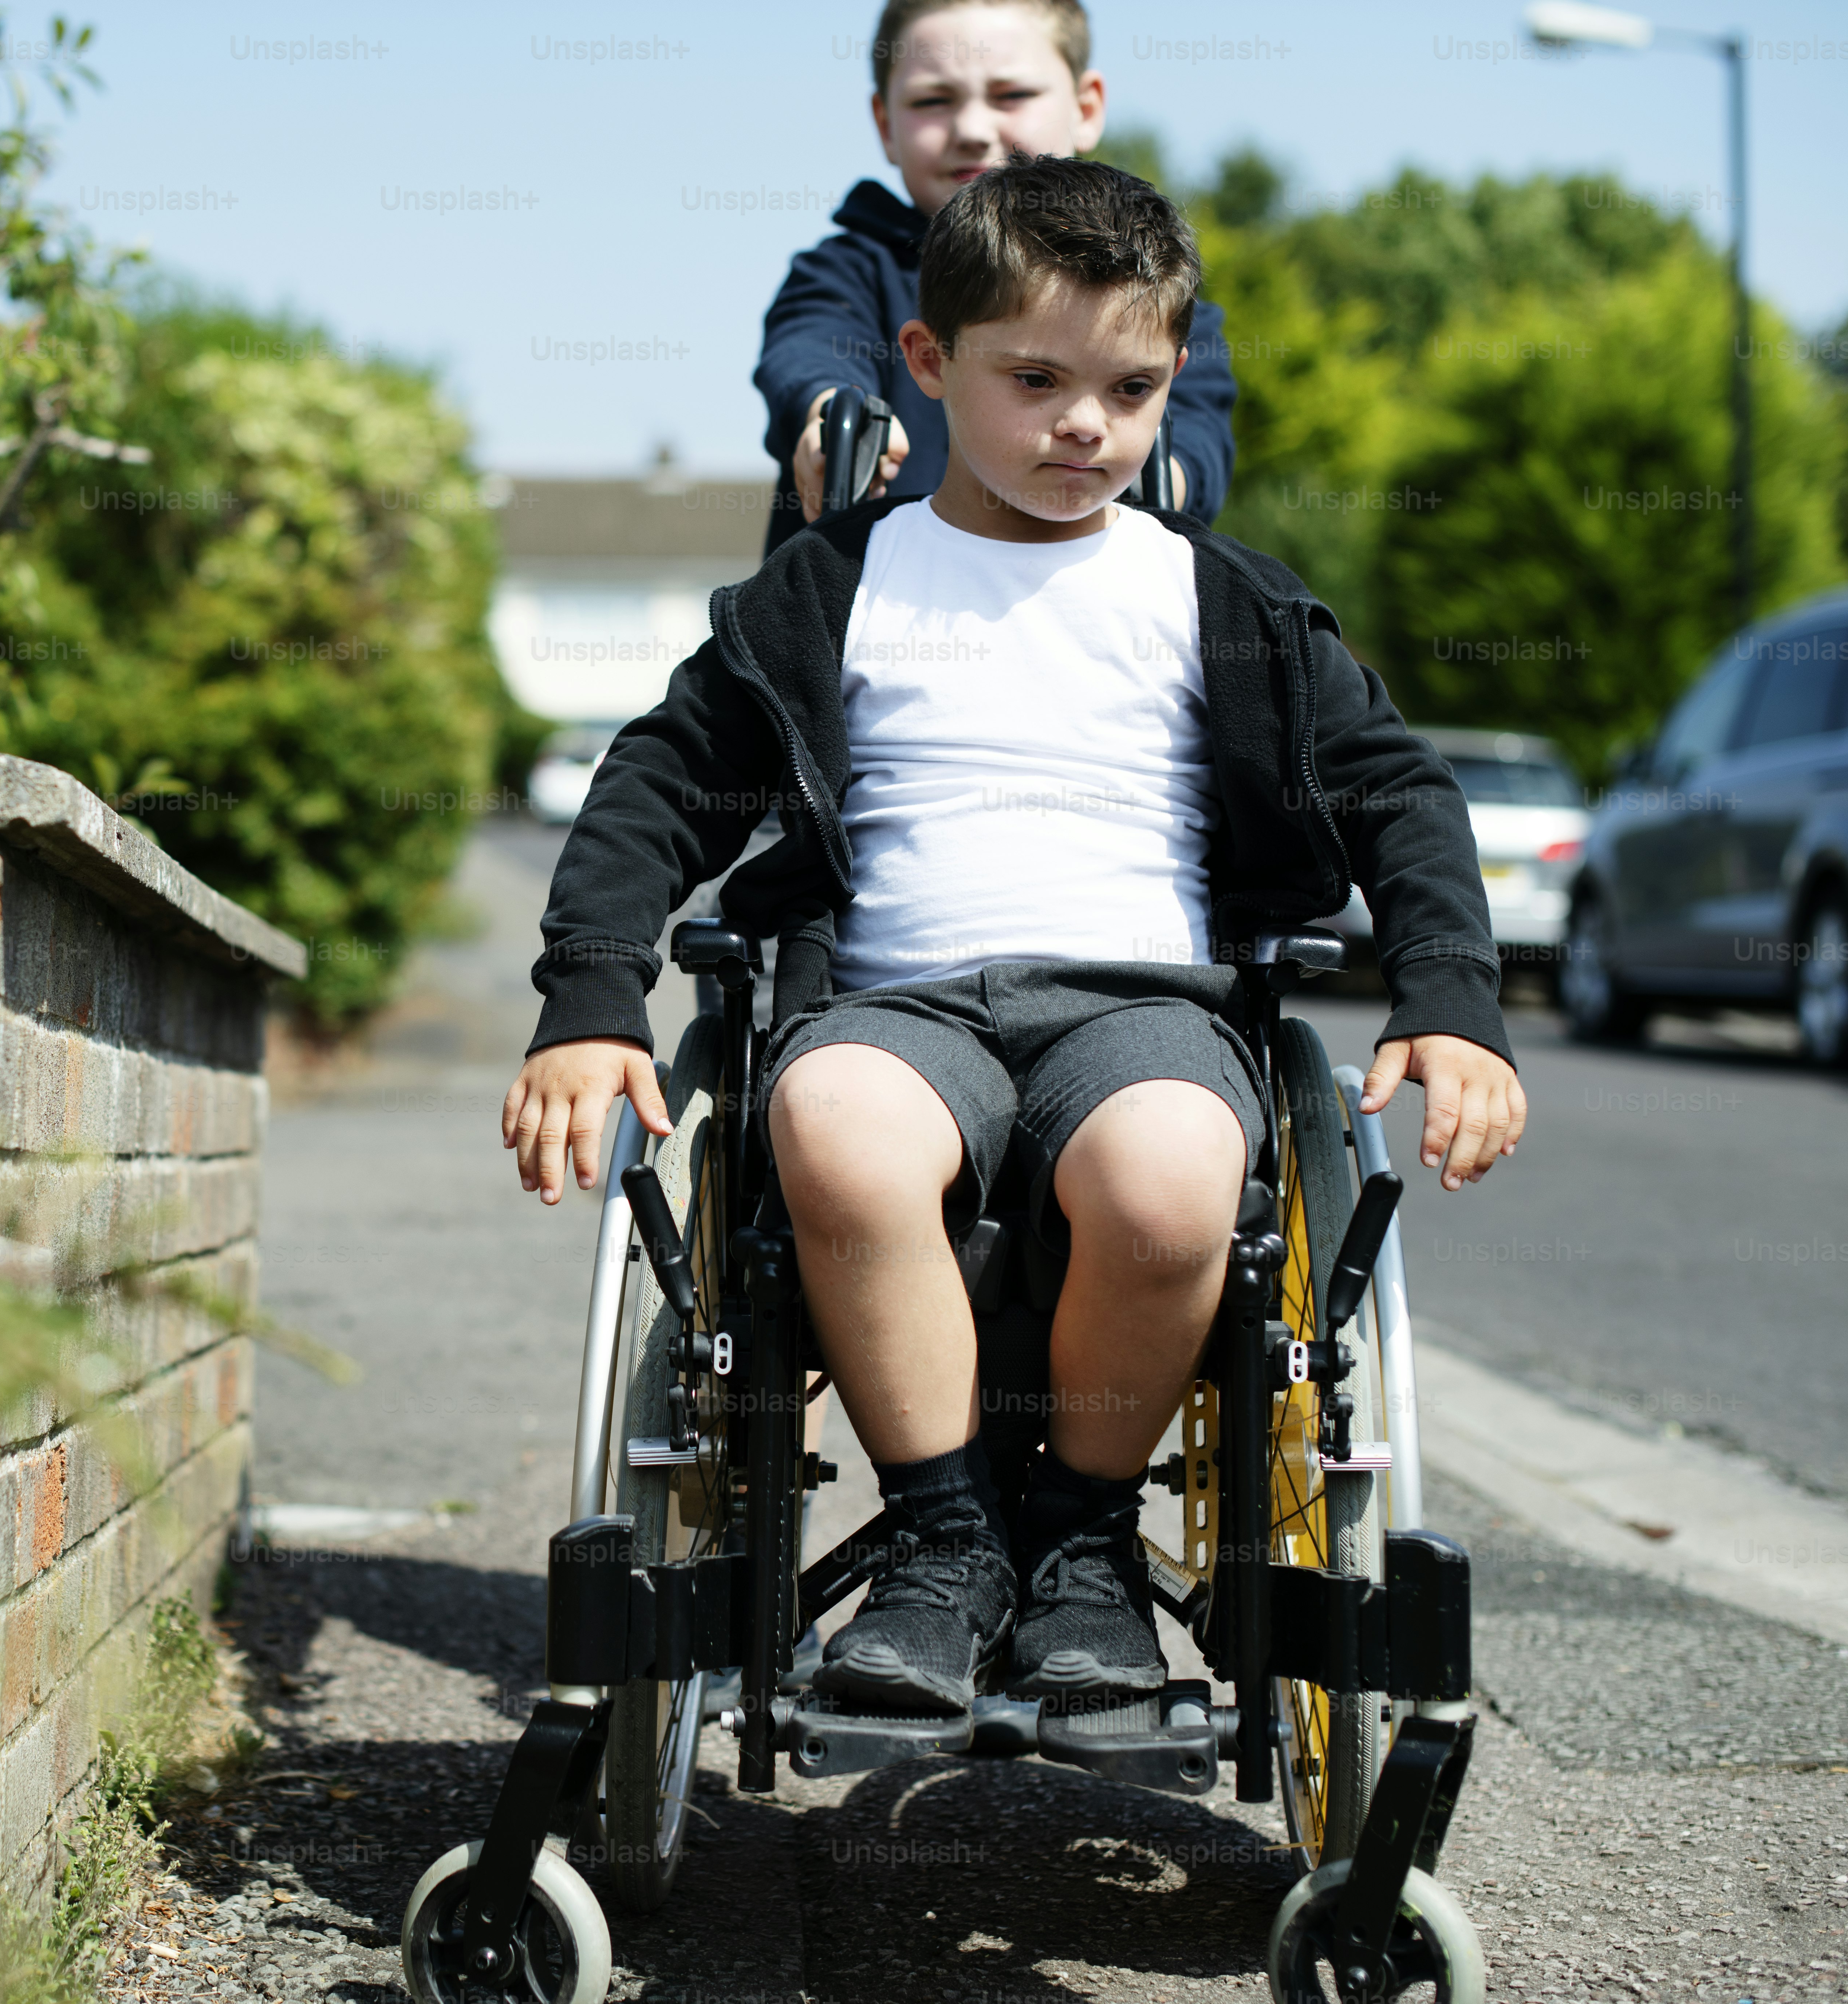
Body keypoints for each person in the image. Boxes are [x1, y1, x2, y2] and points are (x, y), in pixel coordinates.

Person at [501, 154, 1524, 1720]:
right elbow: (654, 784)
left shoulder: (1217, 600)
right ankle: (942, 1537)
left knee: (1177, 1174)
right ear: (927, 366)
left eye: (1126, 386)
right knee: (825, 1125)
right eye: (1032, 378)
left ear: (1170, 378)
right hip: (900, 1005)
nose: (1082, 424)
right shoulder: (830, 588)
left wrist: (1447, 998)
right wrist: (589, 1000)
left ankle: (1079, 1542)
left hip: (1143, 1004)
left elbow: (1396, 790)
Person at [754, 0, 1240, 557]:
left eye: (1011, 96)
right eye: (932, 101)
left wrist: (1145, 488)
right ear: (885, 124)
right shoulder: (848, 270)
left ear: (1086, 107)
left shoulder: (1150, 288)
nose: (971, 129)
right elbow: (807, 349)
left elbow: (1197, 437)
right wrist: (832, 421)